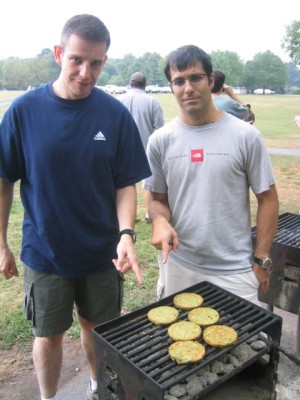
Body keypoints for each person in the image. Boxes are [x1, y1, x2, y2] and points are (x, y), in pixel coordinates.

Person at [0, 14, 151, 400]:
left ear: (105, 60)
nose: (86, 72)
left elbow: (124, 184)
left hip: (101, 254)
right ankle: (49, 397)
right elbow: (4, 181)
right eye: (77, 60)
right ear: (58, 54)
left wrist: (126, 234)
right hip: (45, 252)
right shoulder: (23, 112)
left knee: (97, 331)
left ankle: (98, 387)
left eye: (96, 63)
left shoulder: (114, 115)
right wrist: (1, 243)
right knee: (47, 337)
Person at [143, 45, 279, 307]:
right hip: (179, 265)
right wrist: (159, 219)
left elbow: (268, 198)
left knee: (241, 346)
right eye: (179, 81)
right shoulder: (160, 140)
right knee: (177, 344)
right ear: (171, 86)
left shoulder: (246, 136)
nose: (188, 88)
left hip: (234, 270)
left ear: (211, 80)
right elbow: (157, 198)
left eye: (195, 78)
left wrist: (261, 258)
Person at [118, 72, 164, 223]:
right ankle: (148, 215)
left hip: (122, 148)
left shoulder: (119, 100)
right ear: (145, 84)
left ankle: (127, 215)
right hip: (145, 147)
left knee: (123, 183)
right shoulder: (151, 101)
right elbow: (159, 126)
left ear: (130, 83)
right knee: (148, 183)